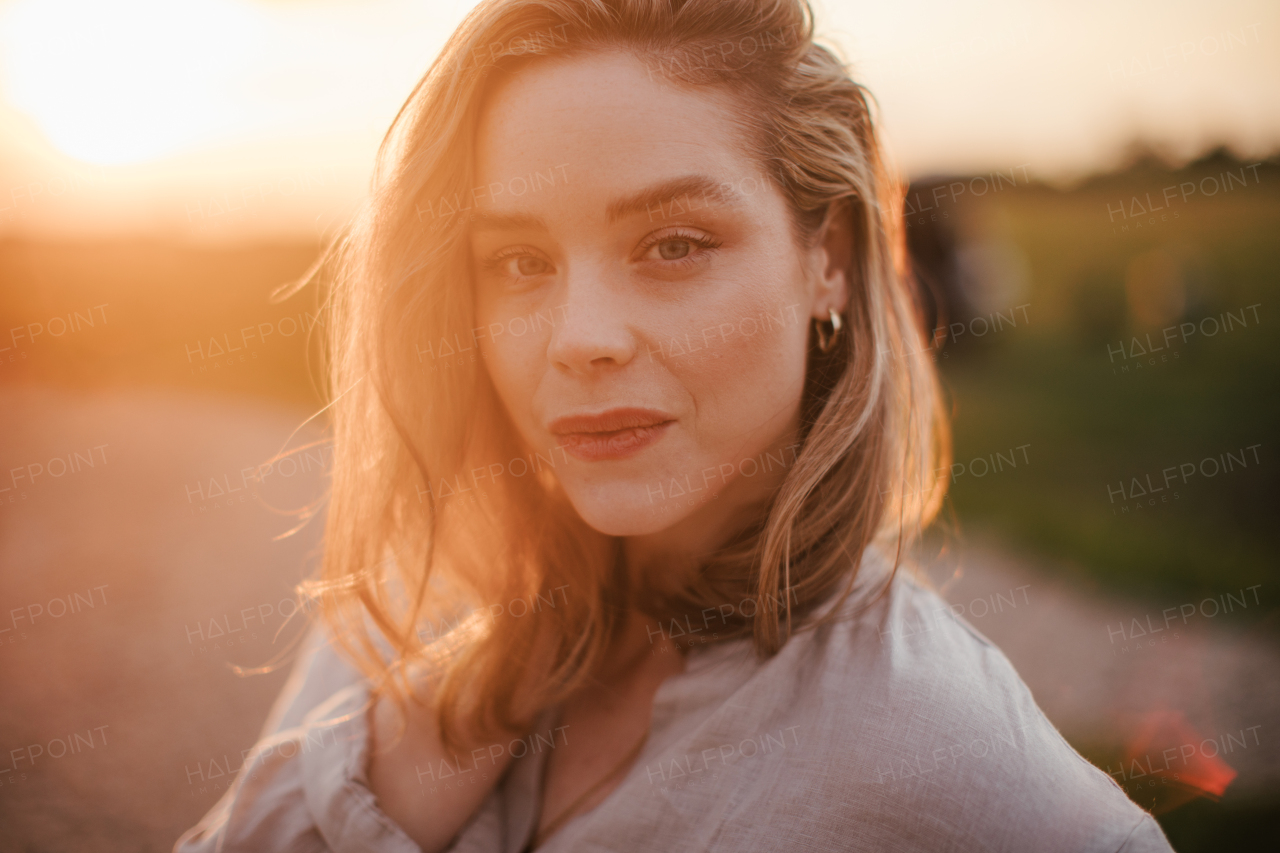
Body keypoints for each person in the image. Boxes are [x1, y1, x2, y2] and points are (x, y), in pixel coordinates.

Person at [175, 0, 1174, 850]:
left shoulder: (926, 737)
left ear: (823, 255)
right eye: (519, 262)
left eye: (673, 244)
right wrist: (418, 752)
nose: (581, 339)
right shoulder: (410, 596)